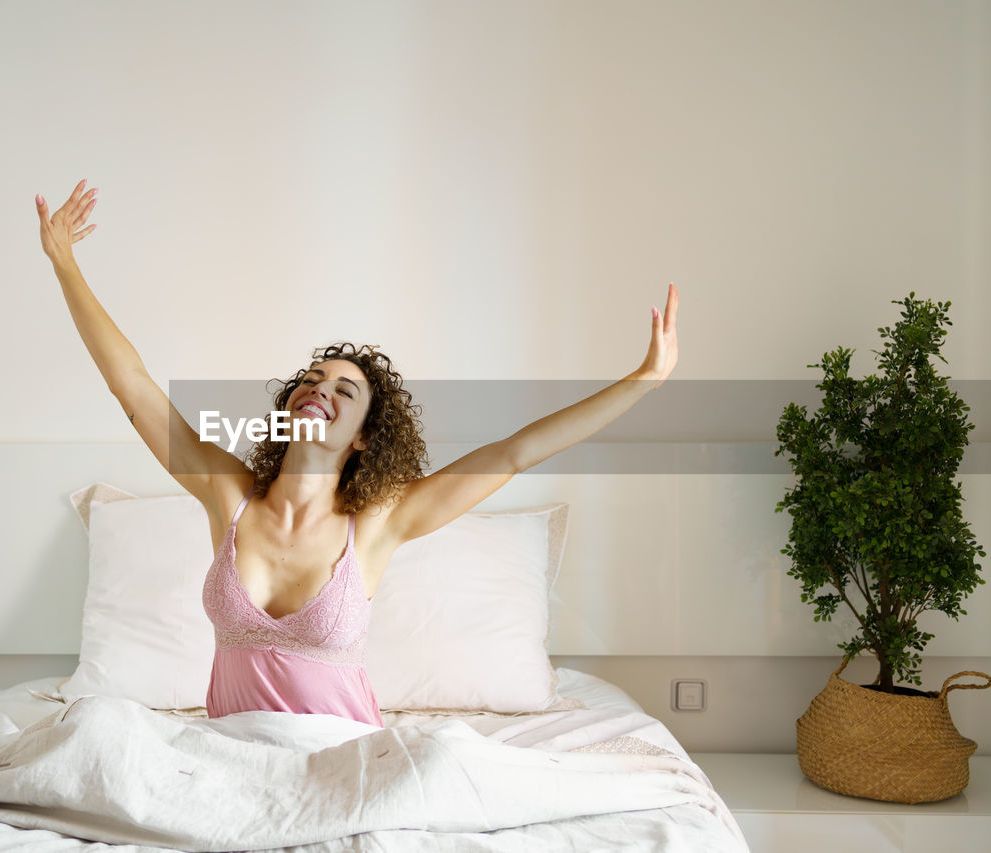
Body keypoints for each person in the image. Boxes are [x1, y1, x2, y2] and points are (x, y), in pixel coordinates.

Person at [36, 179, 679, 728]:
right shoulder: (226, 494)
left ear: (366, 436)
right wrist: (65, 264)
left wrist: (642, 381)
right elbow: (134, 388)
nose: (320, 390)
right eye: (312, 381)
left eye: (345, 390)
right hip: (230, 760)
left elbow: (514, 453)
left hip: (342, 763)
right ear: (290, 408)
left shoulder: (376, 524)